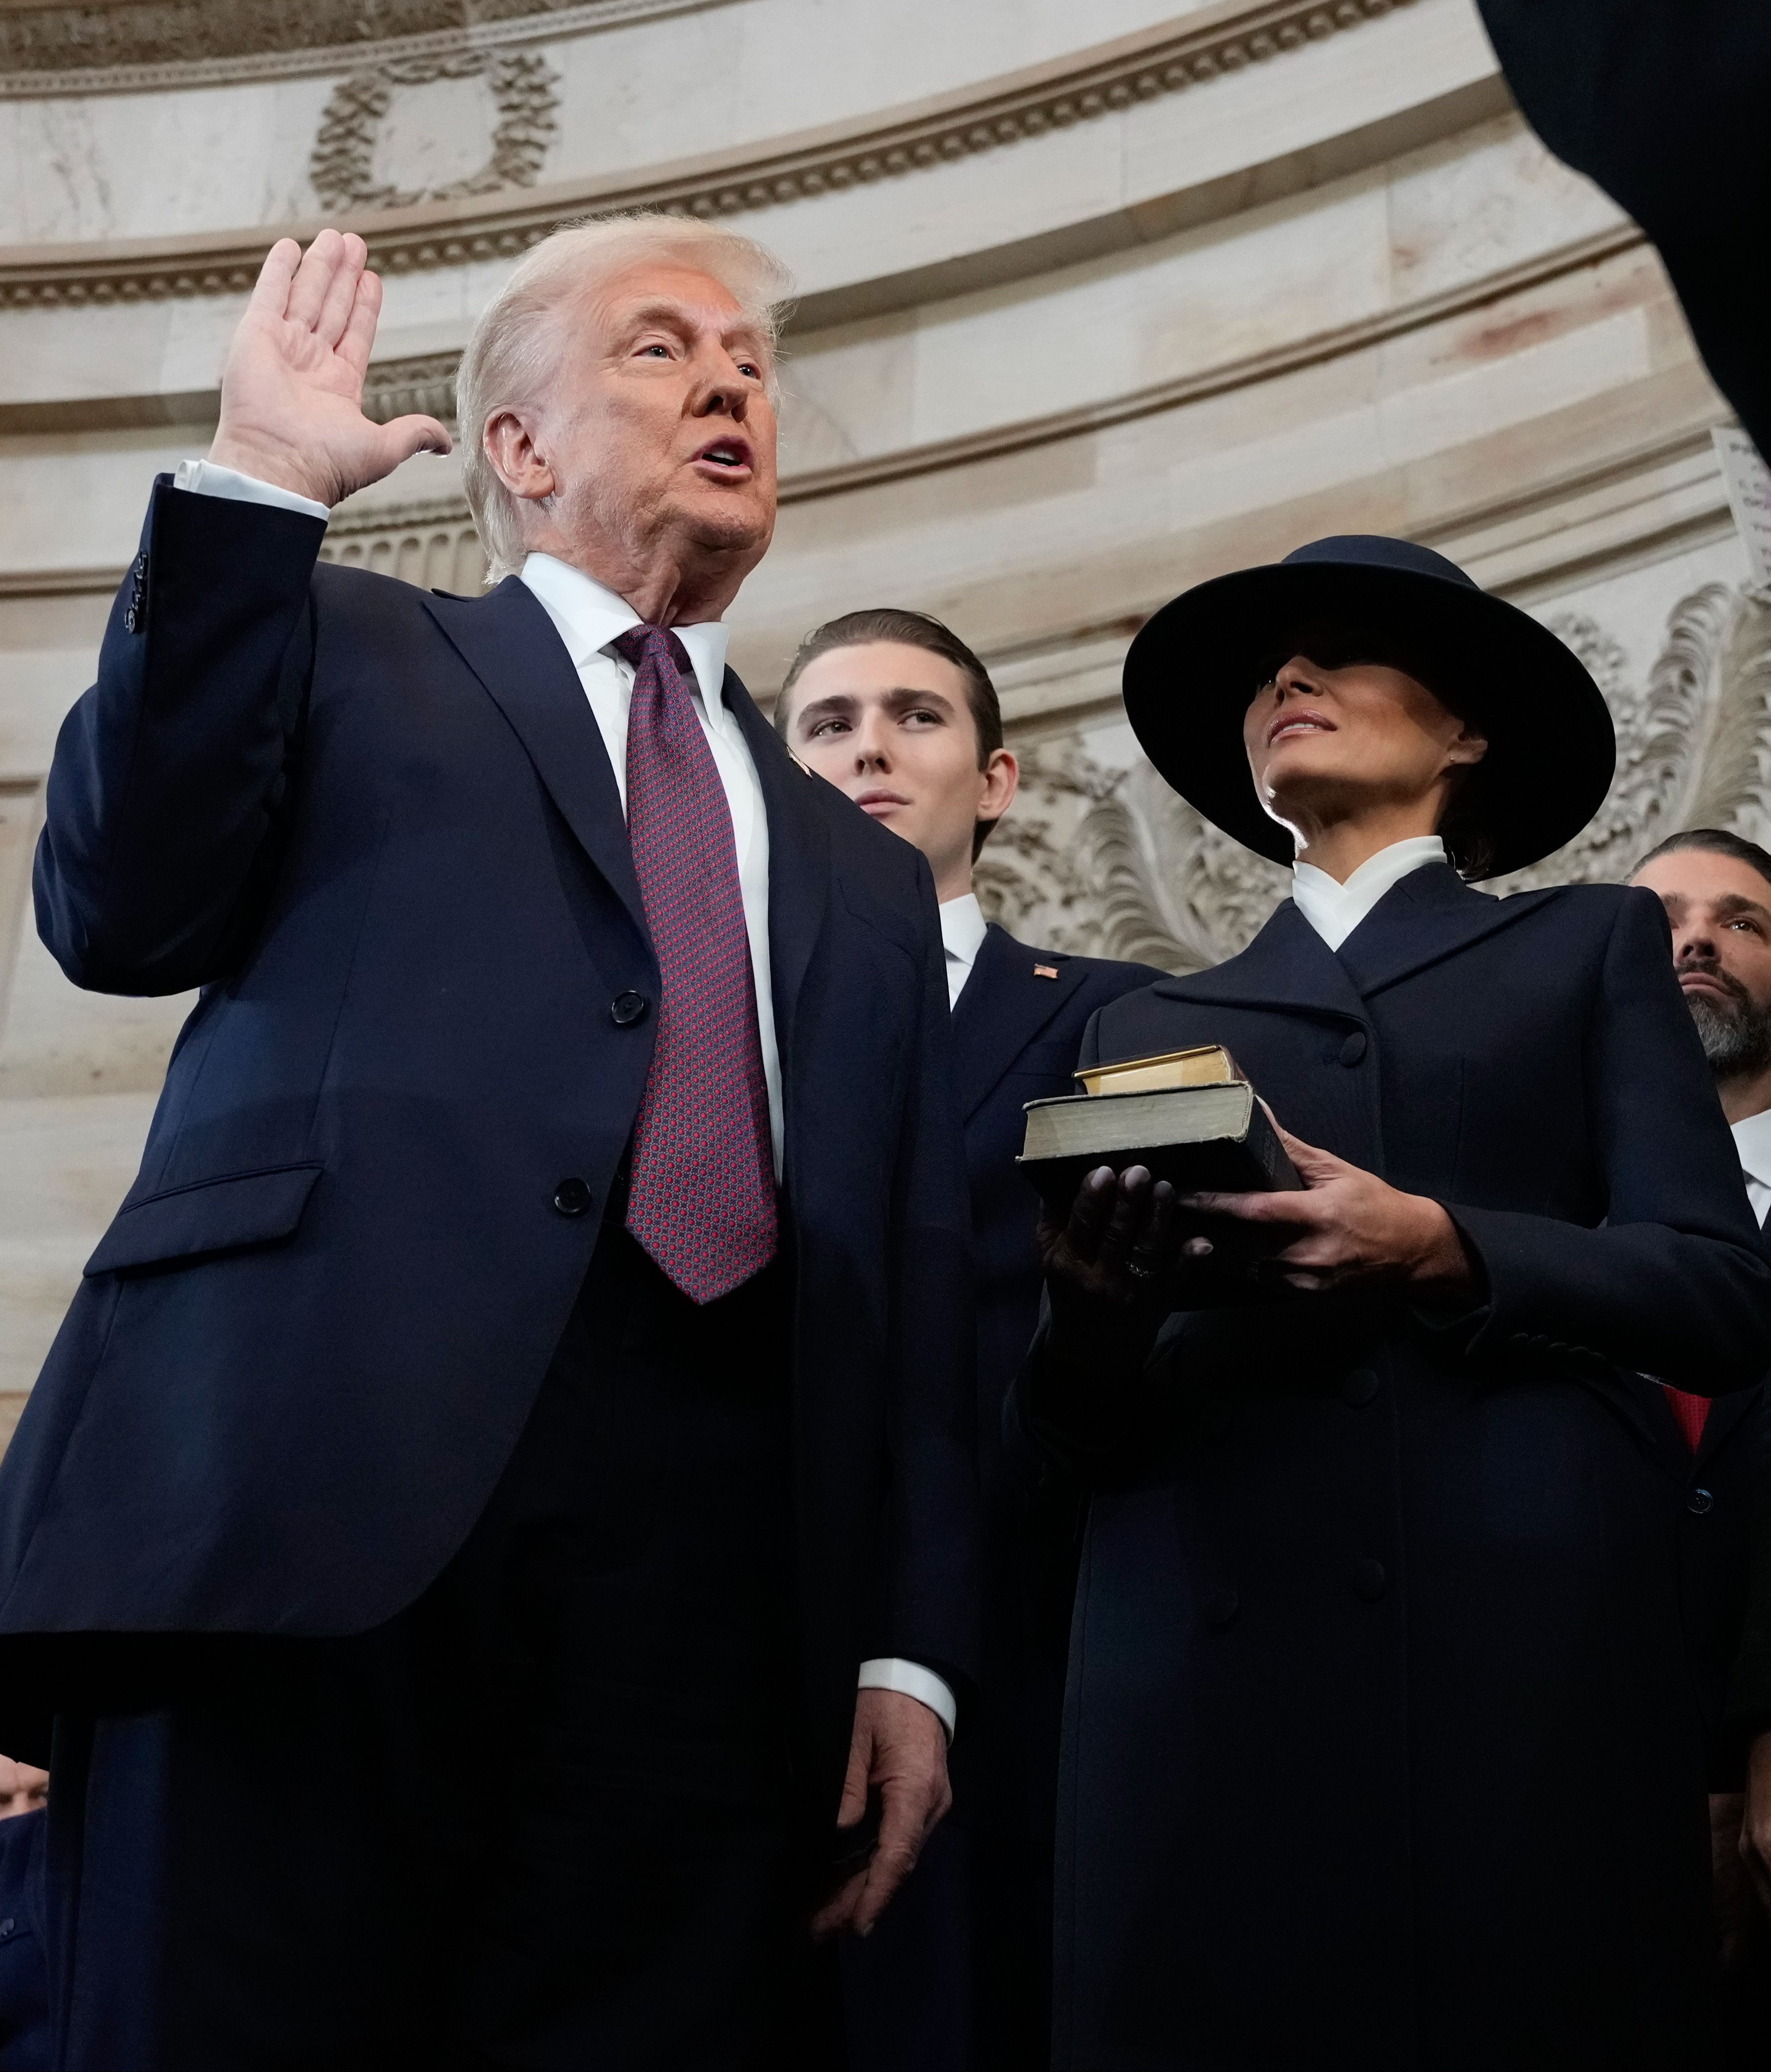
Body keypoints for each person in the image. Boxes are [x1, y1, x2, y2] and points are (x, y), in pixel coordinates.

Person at [0, 217, 978, 2068]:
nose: (728, 386)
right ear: (518, 451)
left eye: (751, 364)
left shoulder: (853, 861)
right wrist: (258, 486)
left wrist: (905, 1648)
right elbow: (115, 907)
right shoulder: (348, 638)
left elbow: (910, 1280)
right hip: (308, 1509)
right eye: (660, 348)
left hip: (710, 1587)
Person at [1017, 535, 1771, 2070]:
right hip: (1213, 1639)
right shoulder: (1148, 1016)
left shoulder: (1581, 943)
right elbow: (1079, 1425)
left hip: (1510, 1641)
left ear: (1465, 731)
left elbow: (1716, 1285)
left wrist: (1436, 1241)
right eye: (1265, 671)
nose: (1283, 680)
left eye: (1339, 651)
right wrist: (1090, 1308)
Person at [776, 609, 1164, 2069]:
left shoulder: (1116, 1010)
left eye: (913, 715)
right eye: (825, 723)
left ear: (995, 778)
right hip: (742, 1614)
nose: (868, 744)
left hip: (1022, 1622)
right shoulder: (698, 1024)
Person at [1629, 829, 1771, 2057]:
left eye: (1741, 921)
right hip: (1558, 1780)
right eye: (1662, 918)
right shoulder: (1514, 1220)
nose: (1694, 939)